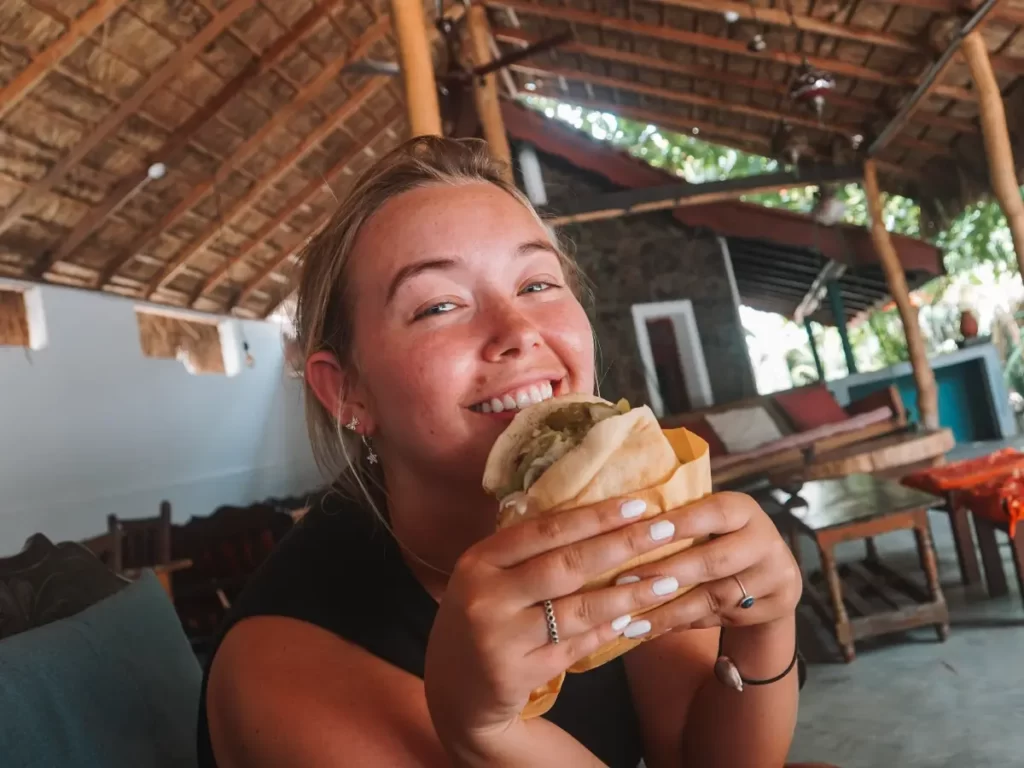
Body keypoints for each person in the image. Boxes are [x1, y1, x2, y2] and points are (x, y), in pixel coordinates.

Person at [198, 136, 803, 768]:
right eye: (438, 305)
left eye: (538, 283)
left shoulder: (625, 513)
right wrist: (485, 732)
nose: (518, 333)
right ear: (346, 390)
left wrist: (763, 627)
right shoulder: (284, 669)